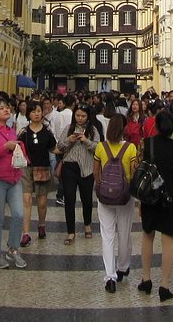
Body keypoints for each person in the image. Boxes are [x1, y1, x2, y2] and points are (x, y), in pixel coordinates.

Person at [138, 110, 173, 302]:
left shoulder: (146, 144)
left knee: (148, 236)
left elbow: (139, 170)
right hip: (171, 196)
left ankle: (146, 279)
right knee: (168, 241)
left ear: (155, 125)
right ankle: (164, 285)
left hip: (150, 196)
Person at [94, 113, 137, 292]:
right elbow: (134, 173)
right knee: (124, 234)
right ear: (124, 129)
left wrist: (100, 187)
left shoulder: (100, 147)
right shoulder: (131, 148)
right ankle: (122, 267)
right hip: (125, 197)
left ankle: (109, 276)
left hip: (105, 197)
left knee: (107, 236)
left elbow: (96, 171)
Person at [0, 97, 26, 269]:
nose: (6, 110)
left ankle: (13, 248)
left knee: (18, 215)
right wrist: (5, 147)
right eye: (1, 108)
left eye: (7, 108)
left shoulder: (11, 130)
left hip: (14, 178)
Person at [57, 105, 99, 243]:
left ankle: (87, 224)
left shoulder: (92, 130)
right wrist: (69, 140)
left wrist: (85, 140)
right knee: (69, 199)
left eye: (83, 116)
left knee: (87, 199)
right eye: (77, 115)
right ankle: (71, 231)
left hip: (86, 169)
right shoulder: (68, 128)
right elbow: (59, 147)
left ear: (88, 117)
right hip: (69, 167)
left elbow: (98, 148)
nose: (80, 118)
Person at [17, 100, 56, 245]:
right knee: (27, 201)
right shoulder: (24, 132)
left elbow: (54, 148)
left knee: (42, 202)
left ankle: (41, 225)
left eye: (39, 111)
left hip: (43, 168)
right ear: (29, 114)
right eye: (33, 111)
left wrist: (67, 145)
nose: (36, 114)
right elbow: (18, 149)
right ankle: (26, 233)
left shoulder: (47, 132)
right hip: (27, 169)